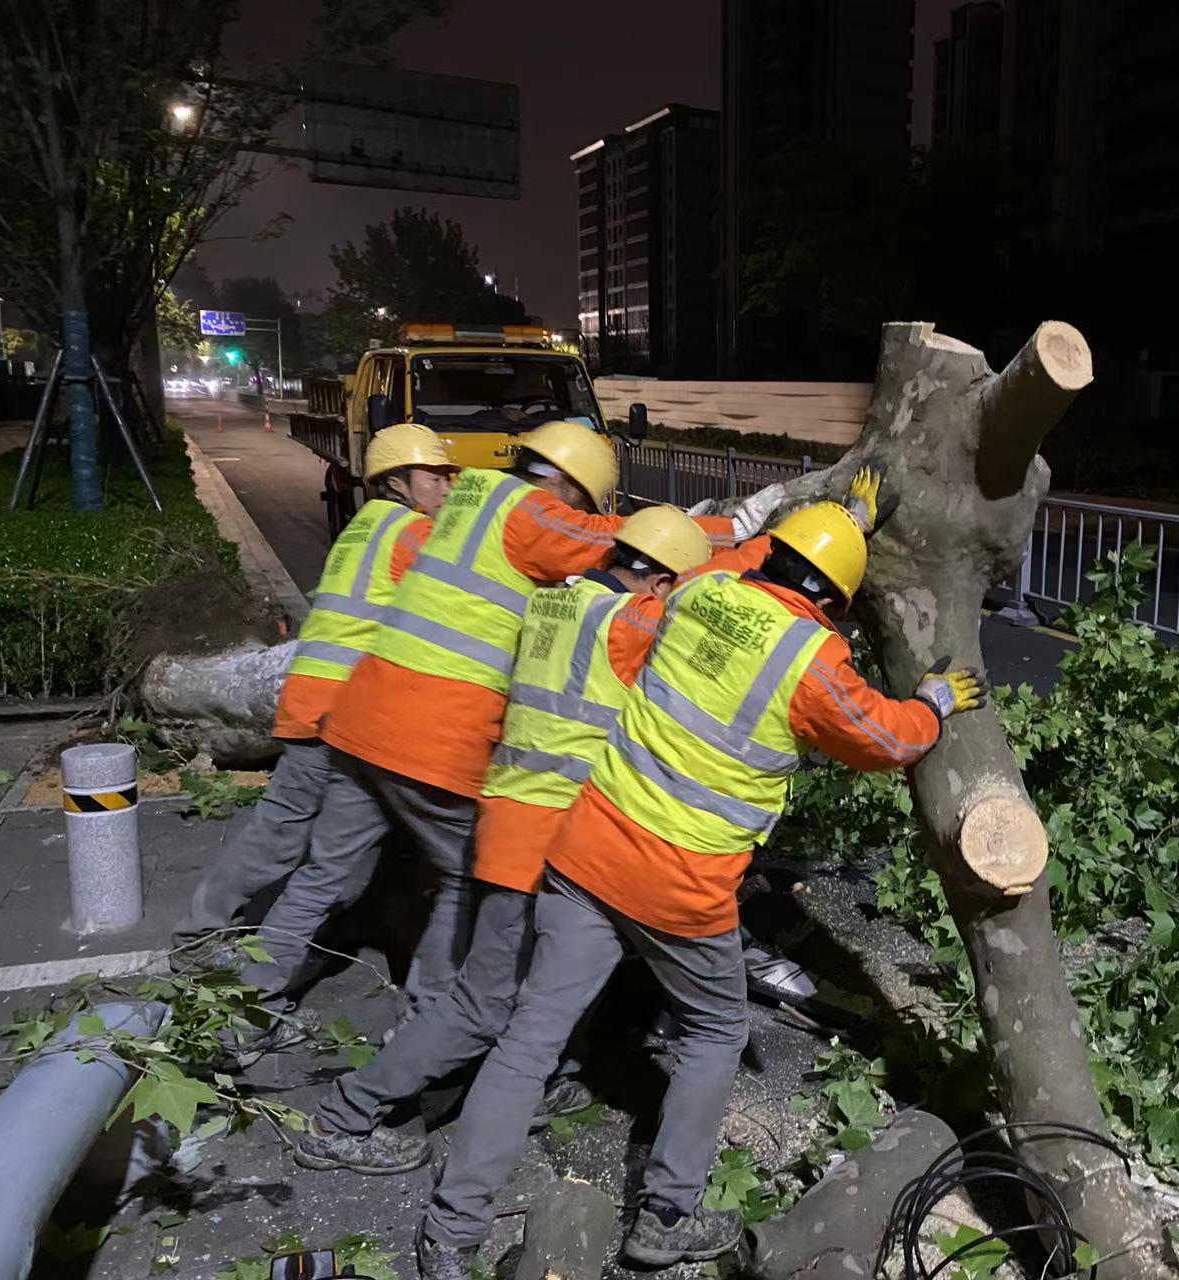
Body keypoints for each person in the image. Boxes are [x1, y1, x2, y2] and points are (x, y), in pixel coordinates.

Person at [413, 470, 987, 1278]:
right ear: (834, 601)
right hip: (679, 884)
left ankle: (451, 1230)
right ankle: (664, 1217)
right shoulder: (813, 657)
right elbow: (882, 739)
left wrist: (837, 522)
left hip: (584, 849)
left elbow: (717, 574)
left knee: (527, 1042)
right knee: (715, 1031)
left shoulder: (691, 595)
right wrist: (932, 701)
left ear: (774, 560)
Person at [237, 424, 743, 1028]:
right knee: (465, 874)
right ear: (566, 484)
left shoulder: (472, 493)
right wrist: (741, 532)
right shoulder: (533, 516)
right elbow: (618, 541)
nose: (577, 511)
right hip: (433, 736)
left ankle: (242, 1003)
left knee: (324, 871)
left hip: (361, 717)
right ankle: (424, 1024)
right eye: (580, 499)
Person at [288, 505, 714, 1177]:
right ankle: (346, 1114)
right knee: (482, 1004)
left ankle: (541, 1079)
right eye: (675, 588)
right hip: (545, 839)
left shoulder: (553, 602)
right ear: (660, 582)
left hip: (510, 820)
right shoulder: (632, 622)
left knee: (545, 990)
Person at [170, 423, 457, 960]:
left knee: (311, 832)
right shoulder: (412, 535)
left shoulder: (364, 527)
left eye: (449, 475)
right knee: (290, 837)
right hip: (338, 707)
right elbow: (471, 595)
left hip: (315, 693)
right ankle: (205, 935)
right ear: (397, 481)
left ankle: (240, 929)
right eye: (434, 476)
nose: (446, 486)